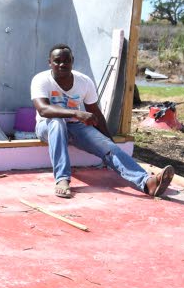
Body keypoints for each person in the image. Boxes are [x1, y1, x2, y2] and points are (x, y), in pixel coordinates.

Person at [31, 44, 174, 199]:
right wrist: (77, 113)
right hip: (47, 127)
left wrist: (108, 142)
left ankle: (147, 183)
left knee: (107, 146)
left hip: (75, 126)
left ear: (72, 61)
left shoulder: (84, 82)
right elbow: (43, 110)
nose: (62, 64)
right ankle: (62, 179)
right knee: (57, 123)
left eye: (66, 61)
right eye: (57, 61)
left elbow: (95, 113)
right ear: (49, 62)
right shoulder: (41, 79)